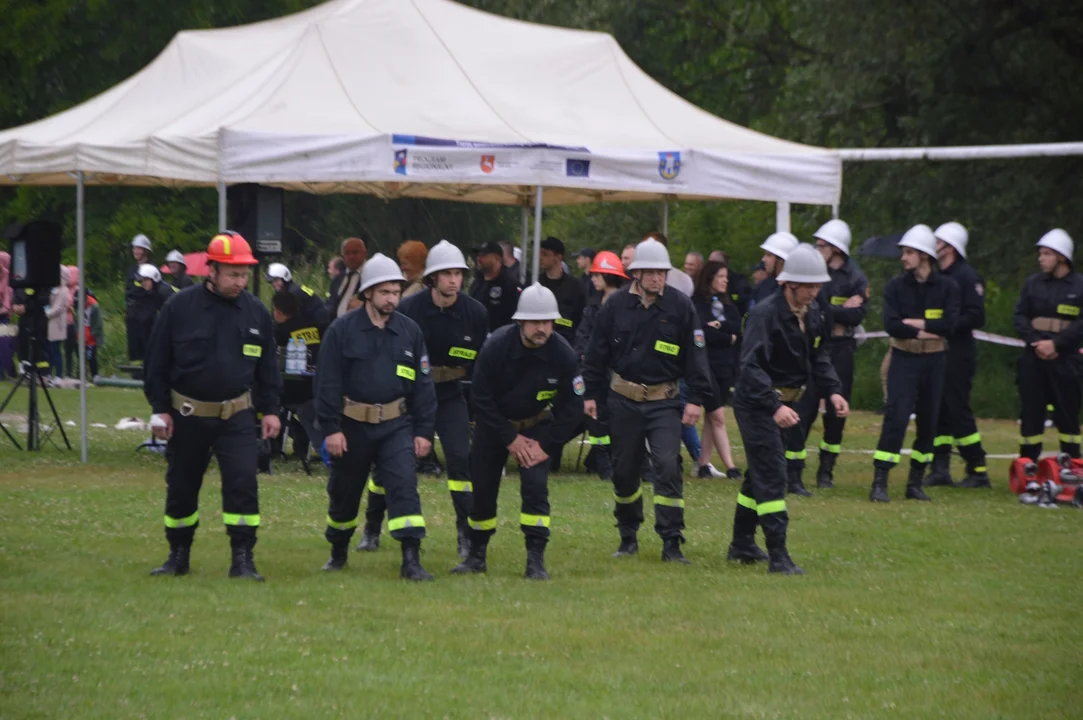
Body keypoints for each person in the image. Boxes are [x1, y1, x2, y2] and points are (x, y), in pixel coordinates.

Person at [143, 231, 281, 581]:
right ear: (212, 271)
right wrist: (160, 409)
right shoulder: (179, 307)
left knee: (242, 485)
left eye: (244, 273)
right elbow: (156, 363)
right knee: (182, 486)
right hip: (187, 416)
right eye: (233, 273)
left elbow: (268, 369)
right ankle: (178, 555)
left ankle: (243, 559)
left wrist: (272, 411)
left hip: (236, 415)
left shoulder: (256, 312)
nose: (240, 281)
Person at [582, 238, 713, 564]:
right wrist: (591, 394)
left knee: (668, 467)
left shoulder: (681, 306)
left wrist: (695, 399)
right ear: (636, 273)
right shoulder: (613, 306)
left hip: (664, 402)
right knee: (624, 472)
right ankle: (628, 535)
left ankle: (672, 541)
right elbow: (596, 354)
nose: (658, 278)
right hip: (623, 400)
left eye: (662, 272)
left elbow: (697, 356)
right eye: (651, 272)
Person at [357, 241, 488, 559]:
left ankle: (465, 535)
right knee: (390, 464)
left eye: (458, 273)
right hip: (412, 395)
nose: (454, 280)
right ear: (432, 278)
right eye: (446, 274)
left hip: (451, 394)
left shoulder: (476, 312)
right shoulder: (409, 309)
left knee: (460, 461)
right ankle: (372, 528)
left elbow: (484, 363)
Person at [314, 254, 437, 580]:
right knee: (344, 492)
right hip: (352, 426)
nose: (392, 299)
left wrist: (423, 431)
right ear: (367, 292)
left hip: (396, 425)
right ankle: (338, 551)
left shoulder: (410, 331)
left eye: (396, 292)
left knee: (403, 486)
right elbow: (327, 382)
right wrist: (331, 429)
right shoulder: (341, 331)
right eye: (385, 292)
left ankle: (411, 559)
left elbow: (423, 385)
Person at [726, 244, 847, 575]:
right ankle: (778, 555)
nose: (814, 291)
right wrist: (774, 404)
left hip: (786, 404)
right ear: (788, 283)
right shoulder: (764, 315)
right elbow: (750, 367)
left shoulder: (815, 314)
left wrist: (834, 391)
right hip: (757, 404)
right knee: (774, 474)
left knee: (760, 474)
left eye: (818, 285)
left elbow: (819, 356)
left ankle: (741, 544)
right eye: (808, 286)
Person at [452, 285, 584, 579]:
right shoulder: (496, 347)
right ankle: (476, 555)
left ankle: (535, 560)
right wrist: (510, 438)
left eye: (548, 322)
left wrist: (546, 447)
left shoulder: (563, 354)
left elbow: (573, 409)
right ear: (520, 322)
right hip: (494, 427)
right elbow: (480, 399)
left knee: (536, 489)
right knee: (483, 491)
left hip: (537, 427)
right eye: (535, 322)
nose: (542, 328)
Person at [870, 225, 960, 503]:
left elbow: (951, 325)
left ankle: (915, 482)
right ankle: (880, 482)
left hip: (935, 360)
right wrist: (927, 329)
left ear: (924, 255)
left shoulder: (948, 287)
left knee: (928, 421)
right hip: (904, 358)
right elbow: (892, 325)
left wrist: (917, 324)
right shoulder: (896, 287)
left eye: (909, 252)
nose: (903, 258)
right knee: (896, 418)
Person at [797, 219, 868, 489]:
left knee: (836, 414)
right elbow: (813, 308)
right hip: (814, 347)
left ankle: (826, 470)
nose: (817, 249)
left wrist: (830, 311)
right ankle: (794, 469)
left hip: (842, 349)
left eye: (821, 245)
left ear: (836, 248)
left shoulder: (856, 277)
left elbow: (858, 314)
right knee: (805, 409)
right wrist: (838, 310)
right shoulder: (816, 272)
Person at [925, 222, 989, 488]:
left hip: (958, 351)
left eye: (937, 241)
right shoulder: (937, 276)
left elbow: (977, 316)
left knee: (957, 406)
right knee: (938, 408)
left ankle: (978, 468)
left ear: (949, 247)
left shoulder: (966, 277)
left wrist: (947, 325)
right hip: (938, 349)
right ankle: (940, 468)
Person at [1013, 229, 1083, 462]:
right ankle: (1028, 465)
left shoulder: (1079, 286)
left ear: (1062, 257)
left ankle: (1072, 465)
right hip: (1034, 359)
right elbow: (1020, 317)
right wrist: (1036, 342)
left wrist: (1057, 344)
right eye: (1040, 253)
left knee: (1068, 414)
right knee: (1031, 412)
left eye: (1046, 254)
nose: (1040, 258)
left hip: (1066, 359)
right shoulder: (1032, 284)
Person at [574, 251, 628, 480]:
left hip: (619, 376)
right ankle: (601, 459)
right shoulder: (592, 308)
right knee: (596, 418)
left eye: (598, 275)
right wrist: (586, 357)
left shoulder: (627, 307)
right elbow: (582, 338)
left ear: (609, 276)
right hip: (596, 374)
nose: (593, 278)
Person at [691, 261, 743, 479]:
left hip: (725, 367)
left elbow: (738, 328)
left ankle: (703, 464)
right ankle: (731, 467)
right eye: (721, 276)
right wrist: (725, 336)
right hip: (705, 367)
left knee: (712, 418)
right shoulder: (696, 303)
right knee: (718, 415)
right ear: (710, 277)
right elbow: (701, 334)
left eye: (726, 277)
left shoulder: (727, 305)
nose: (725, 280)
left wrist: (719, 328)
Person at [271, 290, 325, 460]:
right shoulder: (314, 325)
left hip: (295, 388)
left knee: (267, 401)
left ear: (277, 311)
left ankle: (275, 446)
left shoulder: (280, 331)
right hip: (317, 385)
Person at [537, 236, 586, 345]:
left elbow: (579, 320)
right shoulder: (535, 284)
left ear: (558, 257)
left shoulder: (575, 287)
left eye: (545, 254)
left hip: (566, 343)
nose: (540, 258)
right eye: (539, 253)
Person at [469, 241, 521, 332]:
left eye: (483, 256)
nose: (479, 259)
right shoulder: (477, 283)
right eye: (478, 255)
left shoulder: (509, 285)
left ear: (497, 258)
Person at [265, 262, 329, 326]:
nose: (273, 284)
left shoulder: (293, 294)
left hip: (319, 326)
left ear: (285, 278)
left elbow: (291, 320)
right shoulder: (295, 289)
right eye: (272, 282)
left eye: (276, 280)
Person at [750, 232, 799, 308]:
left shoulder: (801, 288)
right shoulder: (764, 287)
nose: (763, 259)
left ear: (781, 260)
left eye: (768, 255)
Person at [125, 234, 153, 362]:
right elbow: (129, 290)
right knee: (133, 341)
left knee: (146, 341)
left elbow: (149, 291)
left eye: (138, 248)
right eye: (134, 248)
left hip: (146, 312)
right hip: (133, 312)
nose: (135, 251)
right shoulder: (132, 270)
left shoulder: (152, 269)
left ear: (145, 250)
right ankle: (135, 368)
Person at [326, 237, 367, 321]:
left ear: (365, 253)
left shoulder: (370, 276)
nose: (351, 257)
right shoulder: (338, 278)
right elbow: (331, 303)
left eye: (355, 252)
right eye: (347, 253)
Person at [44, 267, 70, 379]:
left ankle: (58, 375)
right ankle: (50, 373)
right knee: (49, 350)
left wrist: (47, 313)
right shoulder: (54, 288)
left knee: (56, 350)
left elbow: (58, 307)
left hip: (57, 323)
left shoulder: (64, 290)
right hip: (50, 322)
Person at [82, 288, 103, 378]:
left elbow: (98, 324)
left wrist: (91, 335)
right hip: (82, 333)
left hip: (91, 336)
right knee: (82, 357)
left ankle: (95, 376)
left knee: (91, 357)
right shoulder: (78, 304)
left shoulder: (94, 306)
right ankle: (82, 377)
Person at [63, 266, 79, 377]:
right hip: (65, 323)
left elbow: (73, 305)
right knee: (67, 351)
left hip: (75, 324)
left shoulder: (78, 290)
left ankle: (80, 373)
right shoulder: (63, 289)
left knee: (78, 350)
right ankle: (68, 373)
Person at [0, 251, 13, 379]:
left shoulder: (8, 280)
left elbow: (7, 306)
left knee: (3, 346)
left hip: (3, 317)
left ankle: (4, 372)